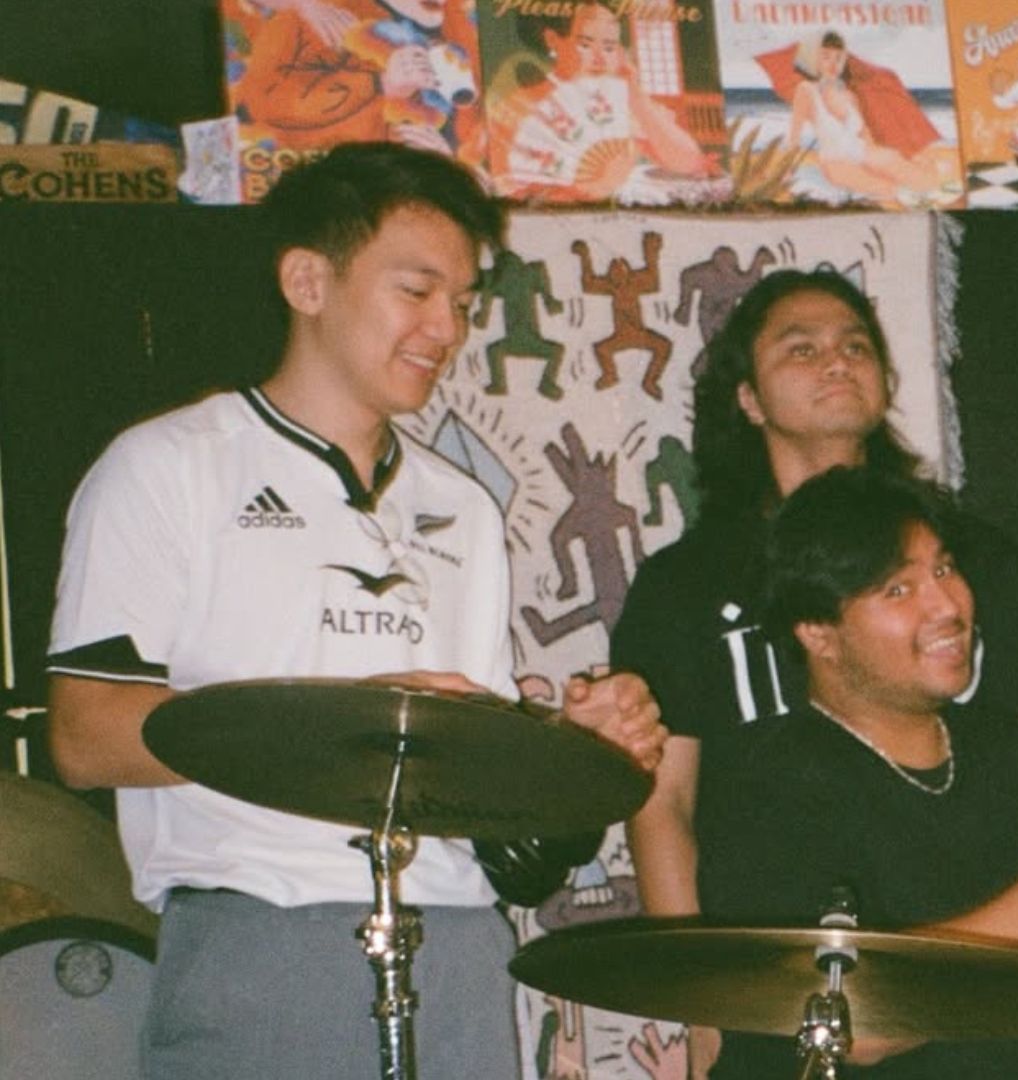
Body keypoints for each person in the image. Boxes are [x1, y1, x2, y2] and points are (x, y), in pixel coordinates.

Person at [44, 141, 667, 1080]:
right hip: (269, 939)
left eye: (464, 303)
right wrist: (354, 721)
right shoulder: (169, 465)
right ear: (307, 281)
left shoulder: (462, 505)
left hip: (462, 945)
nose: (445, 329)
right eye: (416, 291)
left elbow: (490, 827)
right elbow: (85, 736)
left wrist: (572, 752)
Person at [607, 269, 1018, 1075]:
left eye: (857, 345)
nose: (837, 361)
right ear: (748, 399)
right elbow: (663, 801)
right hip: (783, 957)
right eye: (802, 348)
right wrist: (700, 1003)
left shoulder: (973, 557)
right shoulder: (686, 582)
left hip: (978, 961)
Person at [697, 465, 1018, 1079]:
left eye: (943, 570)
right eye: (898, 589)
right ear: (818, 633)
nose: (947, 605)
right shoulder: (765, 785)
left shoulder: (1008, 749)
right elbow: (851, 1029)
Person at [487, 1, 712, 201]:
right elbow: (508, 188)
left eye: (609, 47)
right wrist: (578, 190)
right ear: (552, 40)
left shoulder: (624, 102)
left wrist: (637, 98)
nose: (600, 59)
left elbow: (688, 163)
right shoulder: (519, 107)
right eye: (585, 45)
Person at [786, 32, 956, 207]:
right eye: (826, 57)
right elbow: (794, 137)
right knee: (886, 188)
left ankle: (929, 186)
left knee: (898, 163)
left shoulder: (850, 95)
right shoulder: (806, 90)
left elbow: (865, 137)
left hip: (862, 152)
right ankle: (915, 194)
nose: (833, 64)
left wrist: (891, 158)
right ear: (814, 60)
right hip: (834, 161)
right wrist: (788, 169)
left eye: (839, 58)